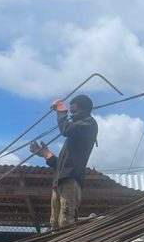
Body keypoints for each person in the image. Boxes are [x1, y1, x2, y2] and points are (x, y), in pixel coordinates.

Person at [29, 94, 99, 230]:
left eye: (74, 112)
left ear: (85, 111)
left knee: (65, 222)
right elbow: (62, 165)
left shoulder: (89, 124)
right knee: (54, 222)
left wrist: (61, 109)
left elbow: (65, 130)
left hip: (71, 181)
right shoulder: (76, 135)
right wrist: (46, 154)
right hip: (60, 181)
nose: (71, 115)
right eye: (70, 112)